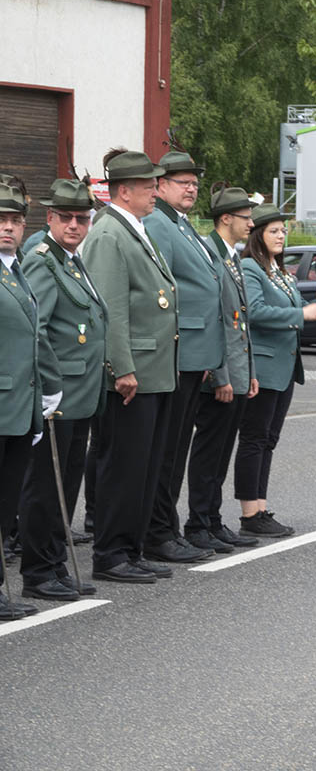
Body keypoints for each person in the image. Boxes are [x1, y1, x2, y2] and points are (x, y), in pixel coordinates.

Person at [81, 150, 178, 584]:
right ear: (125, 190)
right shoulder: (108, 234)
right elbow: (111, 309)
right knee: (123, 466)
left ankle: (132, 548)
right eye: (149, 186)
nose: (155, 192)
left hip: (153, 370)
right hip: (132, 374)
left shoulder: (133, 227)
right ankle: (111, 554)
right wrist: (121, 367)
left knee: (144, 466)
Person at [18, 179, 105, 600]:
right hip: (60, 392)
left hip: (82, 391)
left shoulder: (71, 259)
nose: (74, 224)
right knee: (46, 486)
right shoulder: (42, 260)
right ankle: (37, 571)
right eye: (66, 217)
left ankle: (54, 563)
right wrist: (50, 386)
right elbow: (38, 330)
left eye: (82, 218)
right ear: (49, 218)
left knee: (66, 484)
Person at [142, 152, 225, 563]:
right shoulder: (159, 223)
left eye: (194, 182)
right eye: (181, 181)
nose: (190, 188)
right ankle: (158, 531)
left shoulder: (182, 224)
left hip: (196, 353)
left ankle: (166, 527)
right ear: (159, 185)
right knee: (167, 450)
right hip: (176, 352)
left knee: (175, 448)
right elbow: (163, 290)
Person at [236, 204, 316, 531]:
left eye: (283, 230)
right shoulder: (250, 267)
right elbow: (256, 311)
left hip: (285, 368)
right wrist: (303, 314)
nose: (280, 236)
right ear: (258, 234)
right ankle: (249, 513)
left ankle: (260, 508)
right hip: (263, 368)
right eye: (273, 231)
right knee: (254, 438)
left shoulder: (278, 269)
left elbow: (292, 310)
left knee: (269, 438)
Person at [183, 189, 263, 551]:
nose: (251, 223)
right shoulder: (210, 254)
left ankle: (212, 520)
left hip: (235, 371)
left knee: (221, 452)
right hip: (219, 377)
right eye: (245, 216)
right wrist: (221, 375)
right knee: (208, 451)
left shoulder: (231, 256)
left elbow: (239, 324)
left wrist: (248, 372)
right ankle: (198, 523)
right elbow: (213, 320)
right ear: (225, 219)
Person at [0, 180, 47, 618]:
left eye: (14, 221)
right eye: (1, 220)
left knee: (5, 502)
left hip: (19, 406)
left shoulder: (17, 271)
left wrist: (48, 388)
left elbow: (34, 336)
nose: (8, 228)